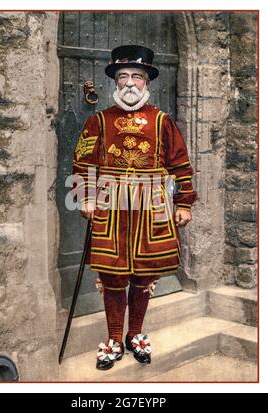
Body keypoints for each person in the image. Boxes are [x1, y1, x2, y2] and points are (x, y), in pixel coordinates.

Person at [72, 45, 197, 370]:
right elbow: (81, 163)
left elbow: (181, 165)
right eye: (123, 76)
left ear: (147, 83)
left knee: (144, 276)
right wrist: (86, 196)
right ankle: (114, 339)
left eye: (137, 77)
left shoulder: (162, 122)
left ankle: (136, 334)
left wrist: (183, 201)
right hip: (111, 211)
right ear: (115, 81)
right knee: (113, 277)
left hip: (152, 209)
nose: (130, 83)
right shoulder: (98, 121)